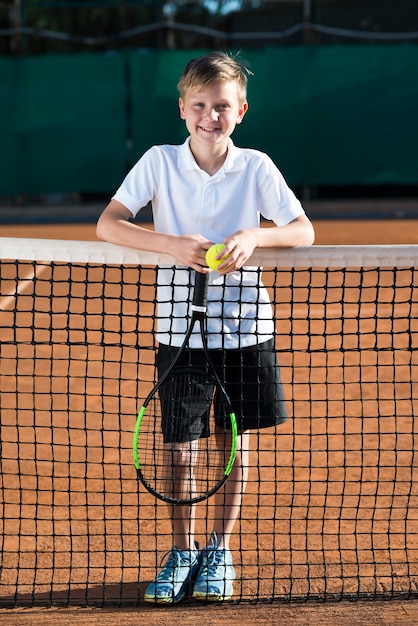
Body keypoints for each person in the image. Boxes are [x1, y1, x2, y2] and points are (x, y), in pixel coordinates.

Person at [96, 51, 315, 604]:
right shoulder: (158, 162)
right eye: (200, 105)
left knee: (232, 444)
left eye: (222, 106)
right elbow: (109, 224)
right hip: (179, 328)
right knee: (179, 448)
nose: (210, 116)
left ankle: (220, 549)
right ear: (183, 109)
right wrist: (169, 243)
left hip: (245, 328)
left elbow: (302, 231)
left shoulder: (257, 167)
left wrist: (252, 237)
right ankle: (183, 551)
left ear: (240, 110)